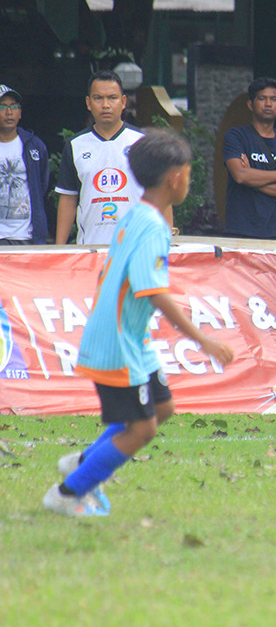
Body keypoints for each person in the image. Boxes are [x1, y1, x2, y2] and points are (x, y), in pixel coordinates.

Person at [43, 129, 235, 517]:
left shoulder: (136, 215)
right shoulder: (152, 227)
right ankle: (67, 493)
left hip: (131, 338)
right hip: (118, 344)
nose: (189, 180)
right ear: (176, 178)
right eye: (189, 173)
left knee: (161, 410)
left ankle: (83, 462)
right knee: (142, 429)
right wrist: (204, 340)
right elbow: (154, 291)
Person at [54, 70, 150, 245]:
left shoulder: (142, 143)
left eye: (112, 98)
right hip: (90, 249)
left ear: (123, 102)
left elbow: (159, 192)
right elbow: (68, 198)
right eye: (98, 98)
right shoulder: (76, 145)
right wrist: (60, 248)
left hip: (136, 247)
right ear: (88, 103)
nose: (105, 105)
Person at [223, 77, 276, 239]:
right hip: (240, 230)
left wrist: (253, 182)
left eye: (273, 99)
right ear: (250, 104)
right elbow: (240, 176)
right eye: (262, 98)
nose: (268, 104)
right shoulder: (236, 136)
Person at [0, 84, 50, 245]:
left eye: (14, 106)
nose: (9, 112)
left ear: (20, 112)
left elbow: (42, 184)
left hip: (26, 236)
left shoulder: (34, 145)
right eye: (3, 107)